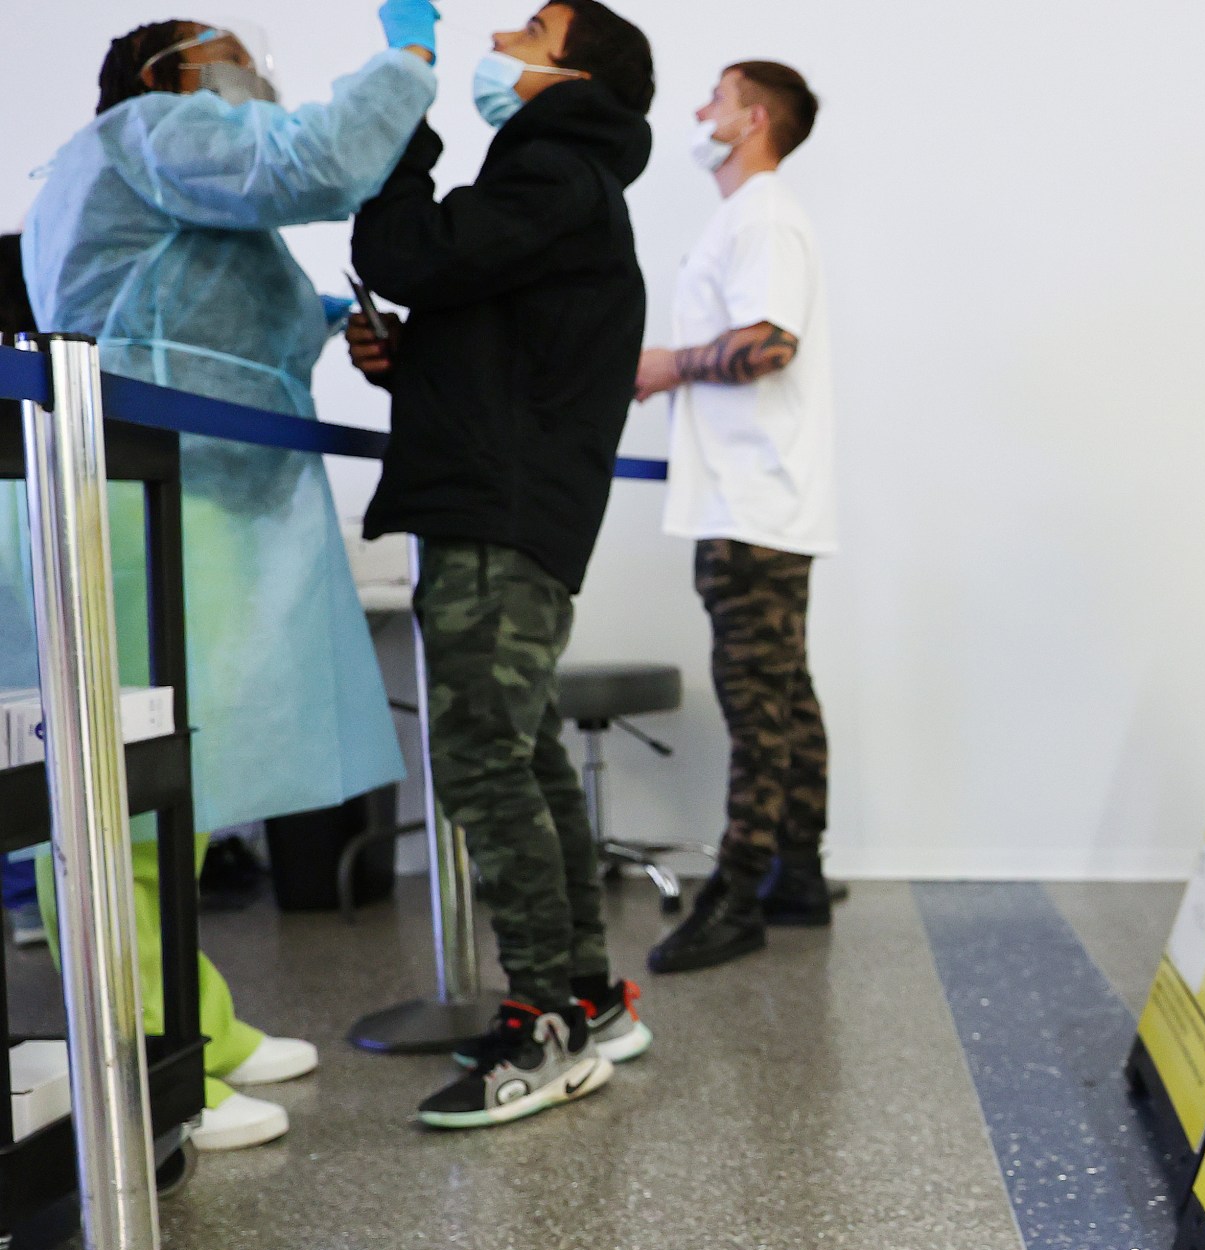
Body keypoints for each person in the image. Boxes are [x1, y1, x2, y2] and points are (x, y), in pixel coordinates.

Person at [1, 7, 446, 1151]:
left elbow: (247, 321)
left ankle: (194, 1021)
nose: (256, 72)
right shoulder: (147, 130)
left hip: (201, 494)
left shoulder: (162, 176)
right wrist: (407, 59)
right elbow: (318, 159)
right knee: (125, 789)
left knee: (177, 786)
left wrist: (346, 322)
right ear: (168, 72)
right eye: (234, 56)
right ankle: (144, 1060)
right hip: (136, 491)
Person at [347, 1, 655, 1131]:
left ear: (573, 76)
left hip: (498, 522)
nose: (502, 39)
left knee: (481, 762)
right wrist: (411, 364)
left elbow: (404, 250)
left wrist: (403, 101)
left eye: (529, 31)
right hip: (511, 510)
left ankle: (545, 1028)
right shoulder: (566, 189)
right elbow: (507, 358)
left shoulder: (554, 175)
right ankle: (587, 998)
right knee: (520, 755)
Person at [633, 61, 839, 974]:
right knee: (785, 694)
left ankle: (737, 895)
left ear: (754, 119)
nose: (697, 112)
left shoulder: (761, 217)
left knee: (757, 706)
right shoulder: (750, 216)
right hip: (758, 497)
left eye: (714, 98)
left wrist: (667, 366)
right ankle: (794, 874)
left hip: (752, 504)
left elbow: (770, 344)